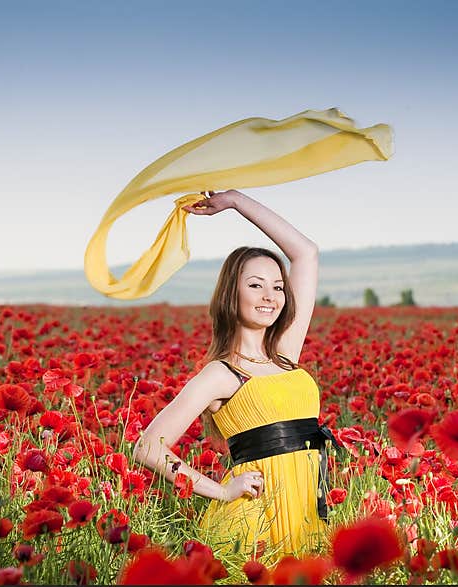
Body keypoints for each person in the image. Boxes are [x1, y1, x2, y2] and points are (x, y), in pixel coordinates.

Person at [131, 189, 331, 563]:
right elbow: (147, 447)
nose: (270, 295)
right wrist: (221, 492)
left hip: (306, 512)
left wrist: (236, 202)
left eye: (277, 286)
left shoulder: (285, 356)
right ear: (231, 294)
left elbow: (306, 253)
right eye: (255, 284)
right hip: (256, 520)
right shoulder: (221, 374)